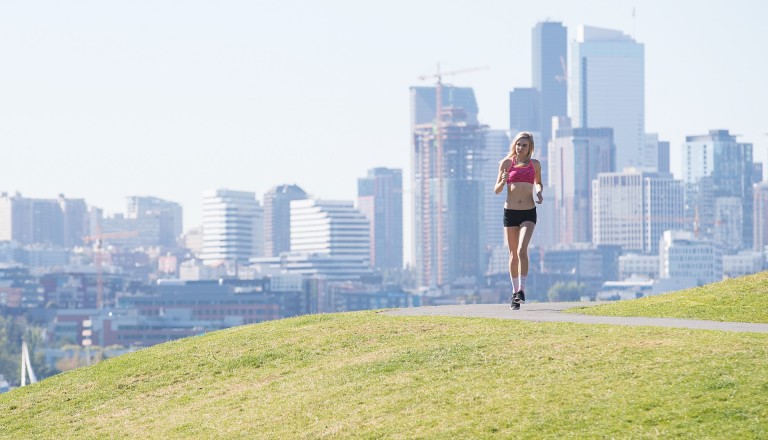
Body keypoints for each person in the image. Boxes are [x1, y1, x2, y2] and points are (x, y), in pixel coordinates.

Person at [494, 132, 543, 310]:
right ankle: (515, 294)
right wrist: (503, 181)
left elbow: (539, 183)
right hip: (510, 212)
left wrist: (539, 192)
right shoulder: (506, 164)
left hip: (529, 212)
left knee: (522, 249)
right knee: (513, 254)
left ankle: (522, 290)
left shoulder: (534, 164)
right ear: (514, 145)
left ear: (530, 148)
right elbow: (497, 190)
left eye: (524, 145)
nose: (520, 148)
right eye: (518, 144)